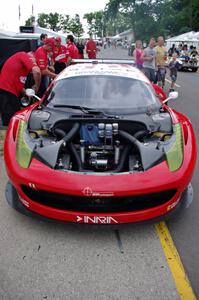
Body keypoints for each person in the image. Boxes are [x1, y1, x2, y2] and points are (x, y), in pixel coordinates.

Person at [0, 51, 41, 126]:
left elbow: (19, 85)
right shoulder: (24, 55)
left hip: (10, 93)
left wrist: (26, 93)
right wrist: (37, 86)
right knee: (10, 120)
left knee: (14, 118)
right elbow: (37, 71)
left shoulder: (20, 69)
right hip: (6, 92)